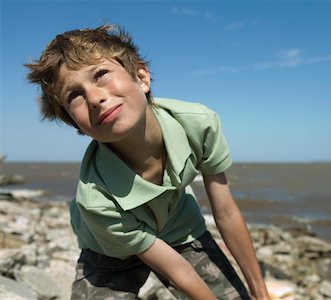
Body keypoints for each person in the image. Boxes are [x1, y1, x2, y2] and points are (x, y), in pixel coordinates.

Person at [26, 24, 269, 299]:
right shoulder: (96, 199)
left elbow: (226, 213)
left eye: (101, 74)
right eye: (75, 95)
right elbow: (179, 272)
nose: (94, 98)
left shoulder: (198, 125)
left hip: (179, 226)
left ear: (141, 77)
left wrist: (261, 292)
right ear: (77, 125)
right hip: (108, 250)